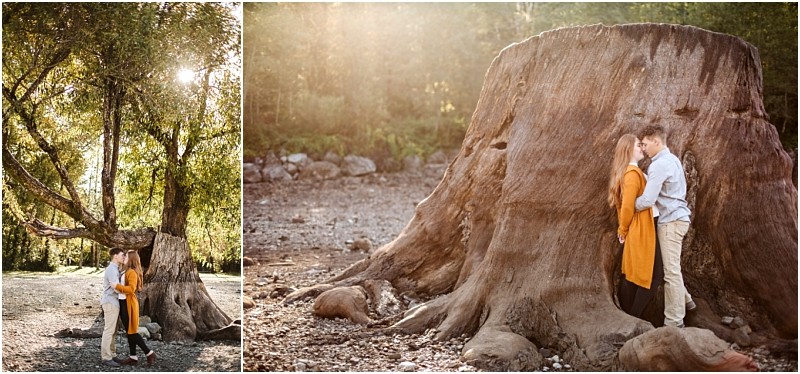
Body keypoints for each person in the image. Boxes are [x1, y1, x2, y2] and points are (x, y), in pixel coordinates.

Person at [635, 125, 695, 328]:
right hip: (678, 218)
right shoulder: (672, 160)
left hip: (670, 222)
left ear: (656, 141)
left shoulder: (659, 164)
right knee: (672, 268)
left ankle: (674, 322)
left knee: (670, 272)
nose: (643, 148)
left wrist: (628, 206)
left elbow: (648, 199)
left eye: (644, 144)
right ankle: (687, 300)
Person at [608, 134, 662, 318]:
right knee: (650, 274)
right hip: (642, 227)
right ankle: (633, 316)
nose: (642, 148)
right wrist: (622, 229)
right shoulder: (631, 174)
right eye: (638, 145)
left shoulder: (634, 172)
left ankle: (630, 315)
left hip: (645, 225)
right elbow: (627, 205)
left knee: (637, 273)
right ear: (628, 149)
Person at [115, 250, 157, 366]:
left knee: (132, 332)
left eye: (126, 256)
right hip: (123, 302)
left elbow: (131, 289)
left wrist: (117, 286)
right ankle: (133, 357)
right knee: (129, 332)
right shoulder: (126, 270)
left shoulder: (132, 272)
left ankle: (149, 353)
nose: (124, 257)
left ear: (131, 259)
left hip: (128, 304)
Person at [101, 248, 126, 367]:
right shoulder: (111, 269)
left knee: (114, 331)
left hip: (114, 302)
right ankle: (106, 357)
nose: (123, 257)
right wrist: (128, 290)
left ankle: (112, 354)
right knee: (109, 330)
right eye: (122, 255)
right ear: (115, 256)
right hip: (110, 302)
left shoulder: (116, 269)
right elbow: (116, 287)